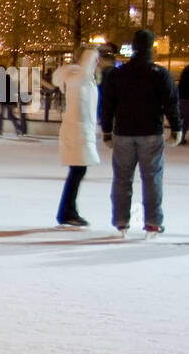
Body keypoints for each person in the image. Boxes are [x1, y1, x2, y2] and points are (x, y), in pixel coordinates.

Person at [99, 29, 182, 237]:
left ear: (134, 48)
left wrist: (107, 131)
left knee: (122, 178)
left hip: (123, 132)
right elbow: (171, 103)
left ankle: (121, 220)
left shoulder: (119, 74)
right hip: (151, 133)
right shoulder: (159, 74)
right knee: (152, 178)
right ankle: (153, 221)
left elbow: (107, 104)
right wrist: (176, 128)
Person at [52, 45, 101, 227]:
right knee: (77, 171)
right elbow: (82, 76)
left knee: (78, 171)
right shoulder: (76, 76)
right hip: (77, 130)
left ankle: (68, 211)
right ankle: (67, 212)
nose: (97, 61)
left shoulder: (83, 77)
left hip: (81, 128)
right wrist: (90, 53)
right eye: (94, 58)